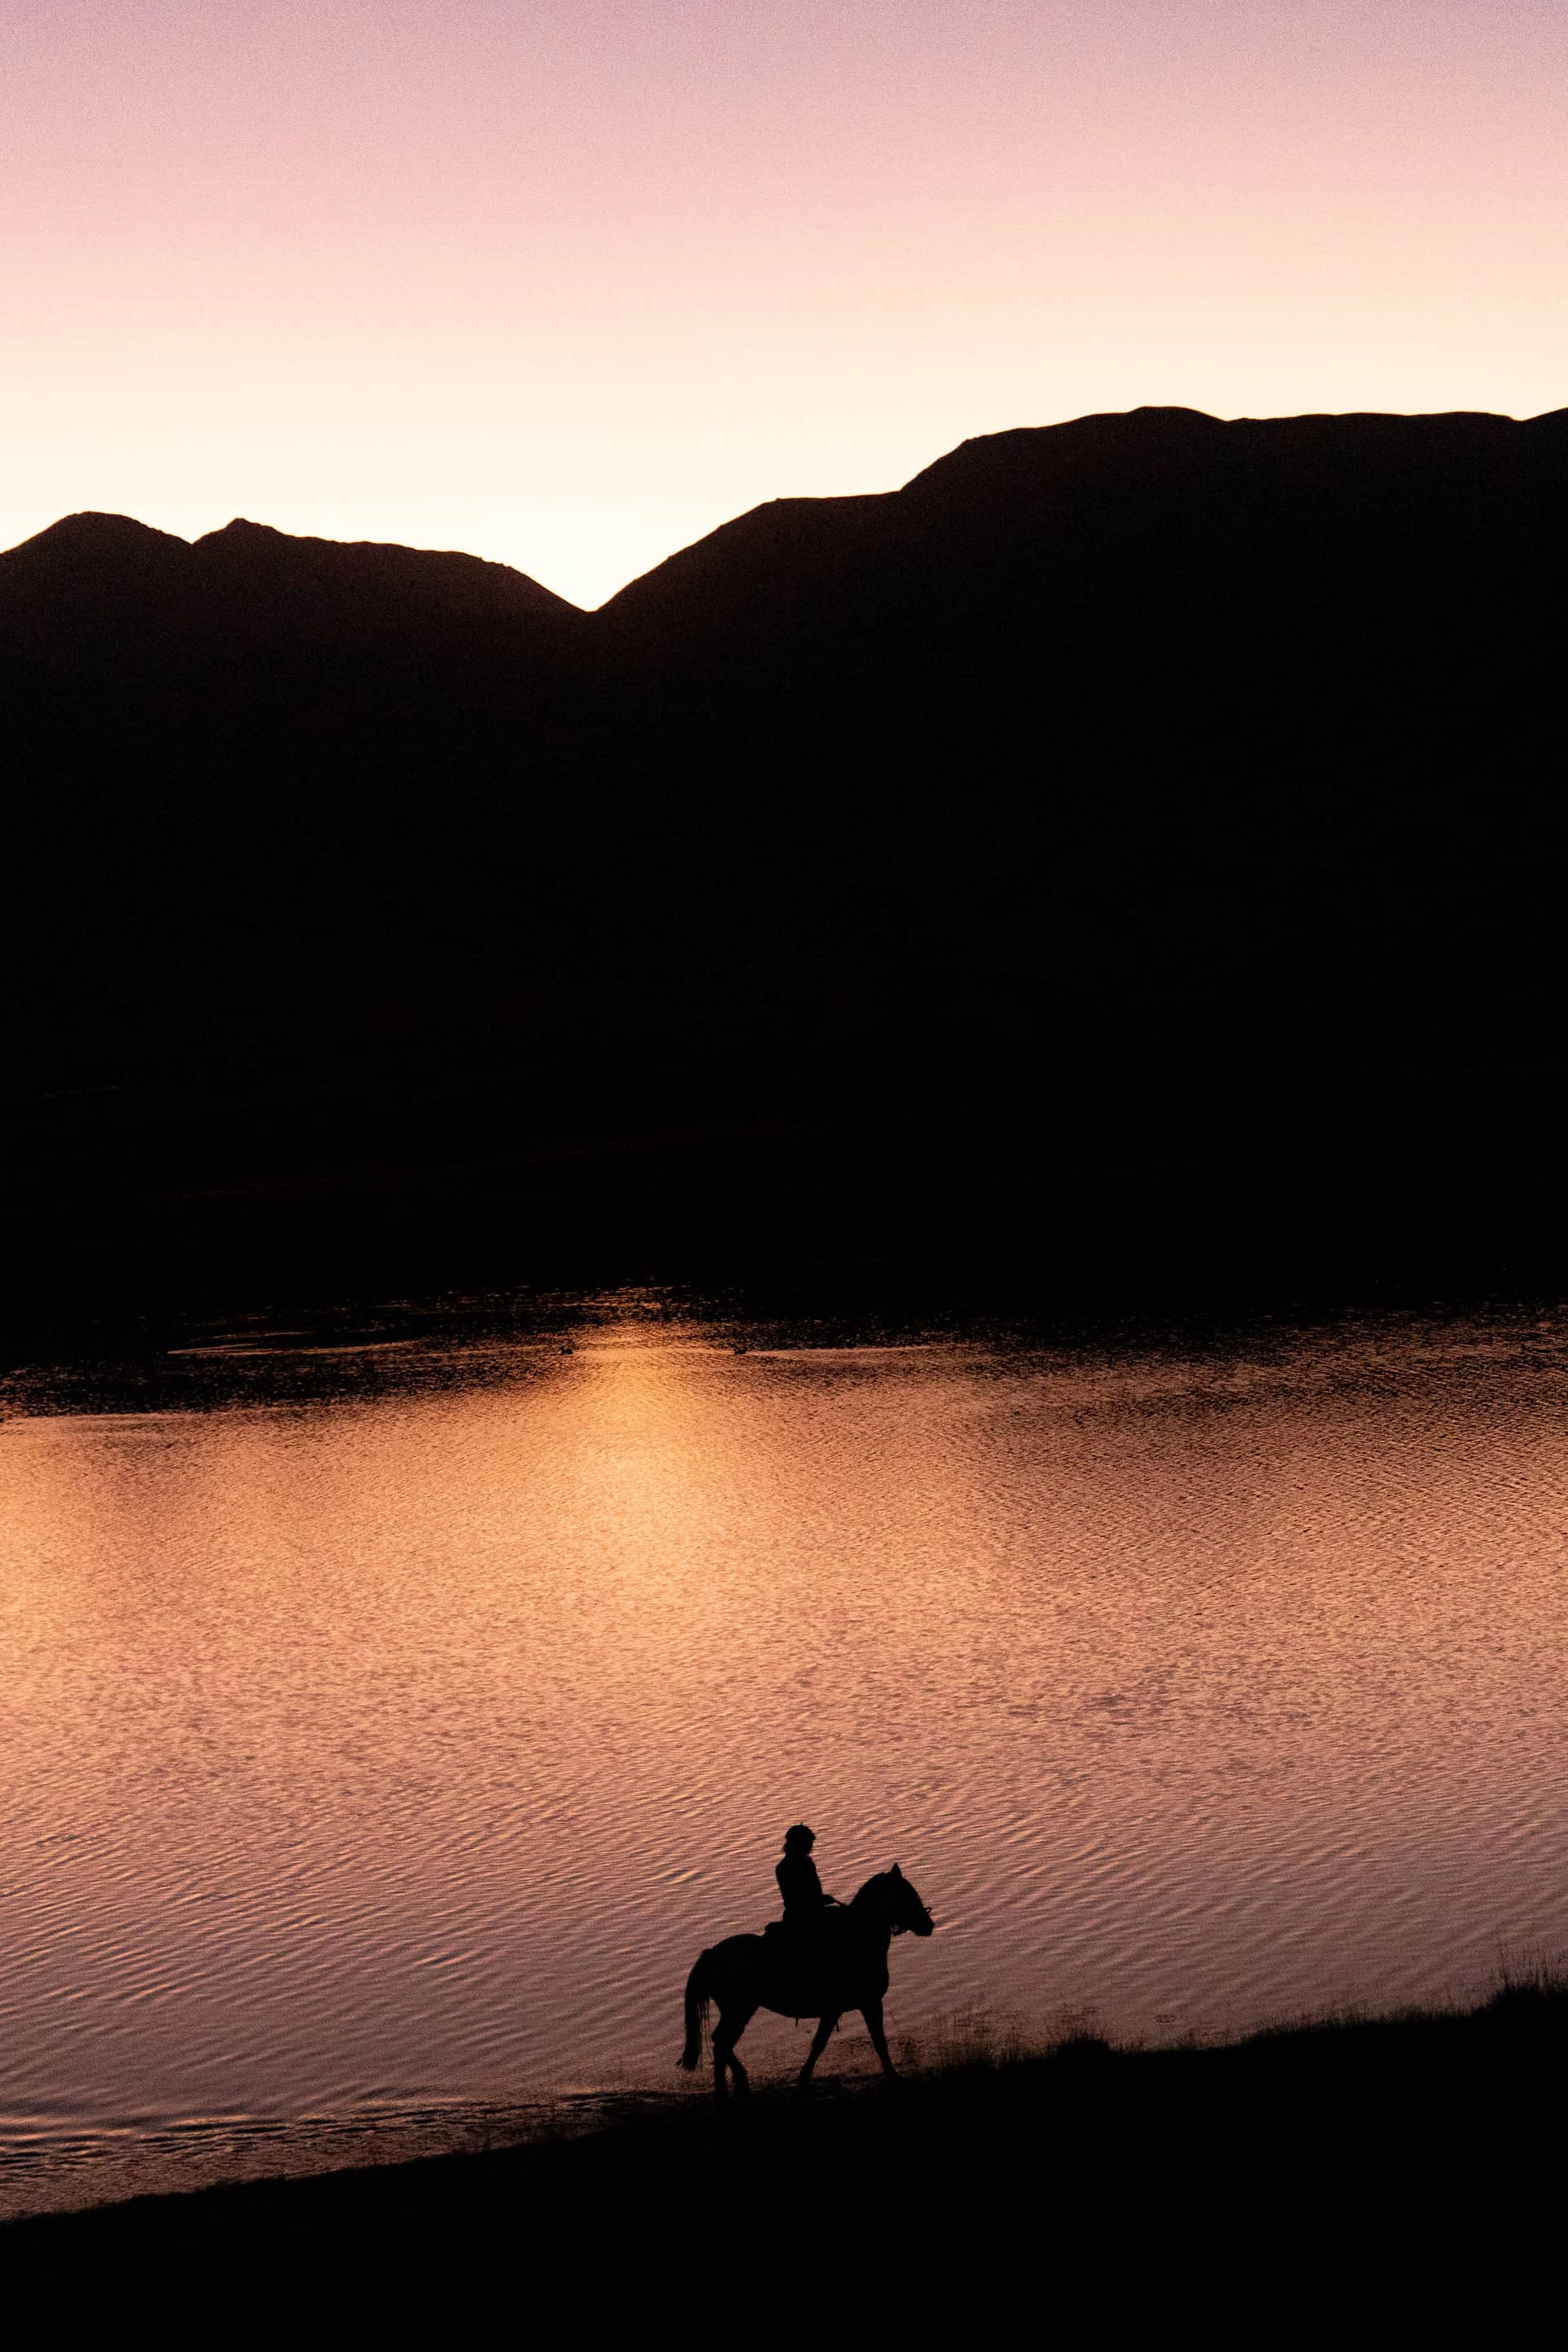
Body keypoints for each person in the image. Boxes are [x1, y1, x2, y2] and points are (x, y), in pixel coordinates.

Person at [774, 1824, 835, 1941]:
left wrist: (820, 1898)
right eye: (808, 1844)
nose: (811, 1848)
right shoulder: (792, 1867)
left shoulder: (791, 1865)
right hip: (802, 1918)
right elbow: (798, 1898)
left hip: (811, 1912)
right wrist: (821, 1899)